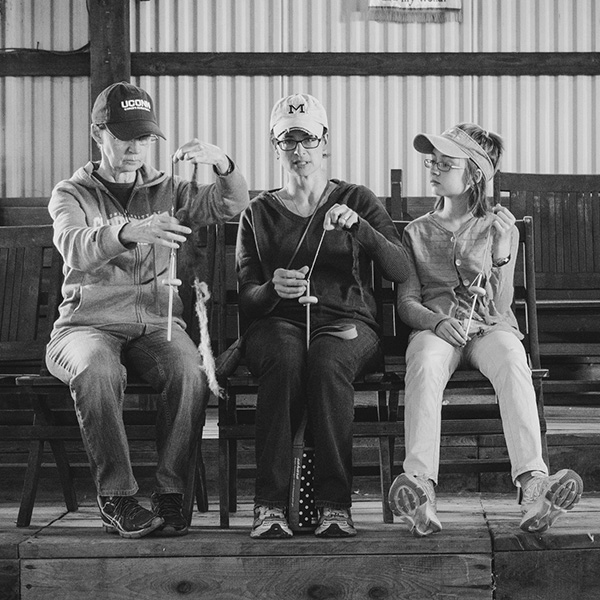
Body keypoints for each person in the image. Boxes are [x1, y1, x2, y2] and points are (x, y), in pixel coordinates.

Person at [45, 81, 249, 538]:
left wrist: (223, 164)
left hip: (157, 324)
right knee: (97, 370)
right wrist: (129, 232)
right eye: (124, 137)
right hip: (85, 327)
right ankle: (117, 497)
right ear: (98, 134)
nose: (135, 148)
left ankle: (171, 494)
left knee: (191, 371)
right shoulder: (71, 192)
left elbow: (232, 203)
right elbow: (74, 246)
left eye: (144, 137)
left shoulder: (170, 189)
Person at [388, 123, 583, 537]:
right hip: (437, 330)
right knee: (424, 362)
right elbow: (407, 303)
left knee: (513, 358)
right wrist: (437, 322)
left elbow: (499, 306)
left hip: (489, 329)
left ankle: (534, 484)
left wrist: (501, 254)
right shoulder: (415, 232)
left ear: (474, 174)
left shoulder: (498, 228)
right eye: (432, 161)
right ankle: (420, 487)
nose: (434, 168)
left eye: (446, 163)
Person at [236, 93, 410, 539]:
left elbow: (400, 268)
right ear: (274, 145)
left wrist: (360, 227)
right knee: (284, 357)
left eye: (308, 139)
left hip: (348, 325)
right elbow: (248, 299)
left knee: (328, 360)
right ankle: (270, 505)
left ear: (325, 142)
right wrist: (271, 289)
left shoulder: (357, 198)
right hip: (278, 325)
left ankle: (334, 504)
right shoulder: (257, 213)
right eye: (288, 140)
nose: (299, 150)